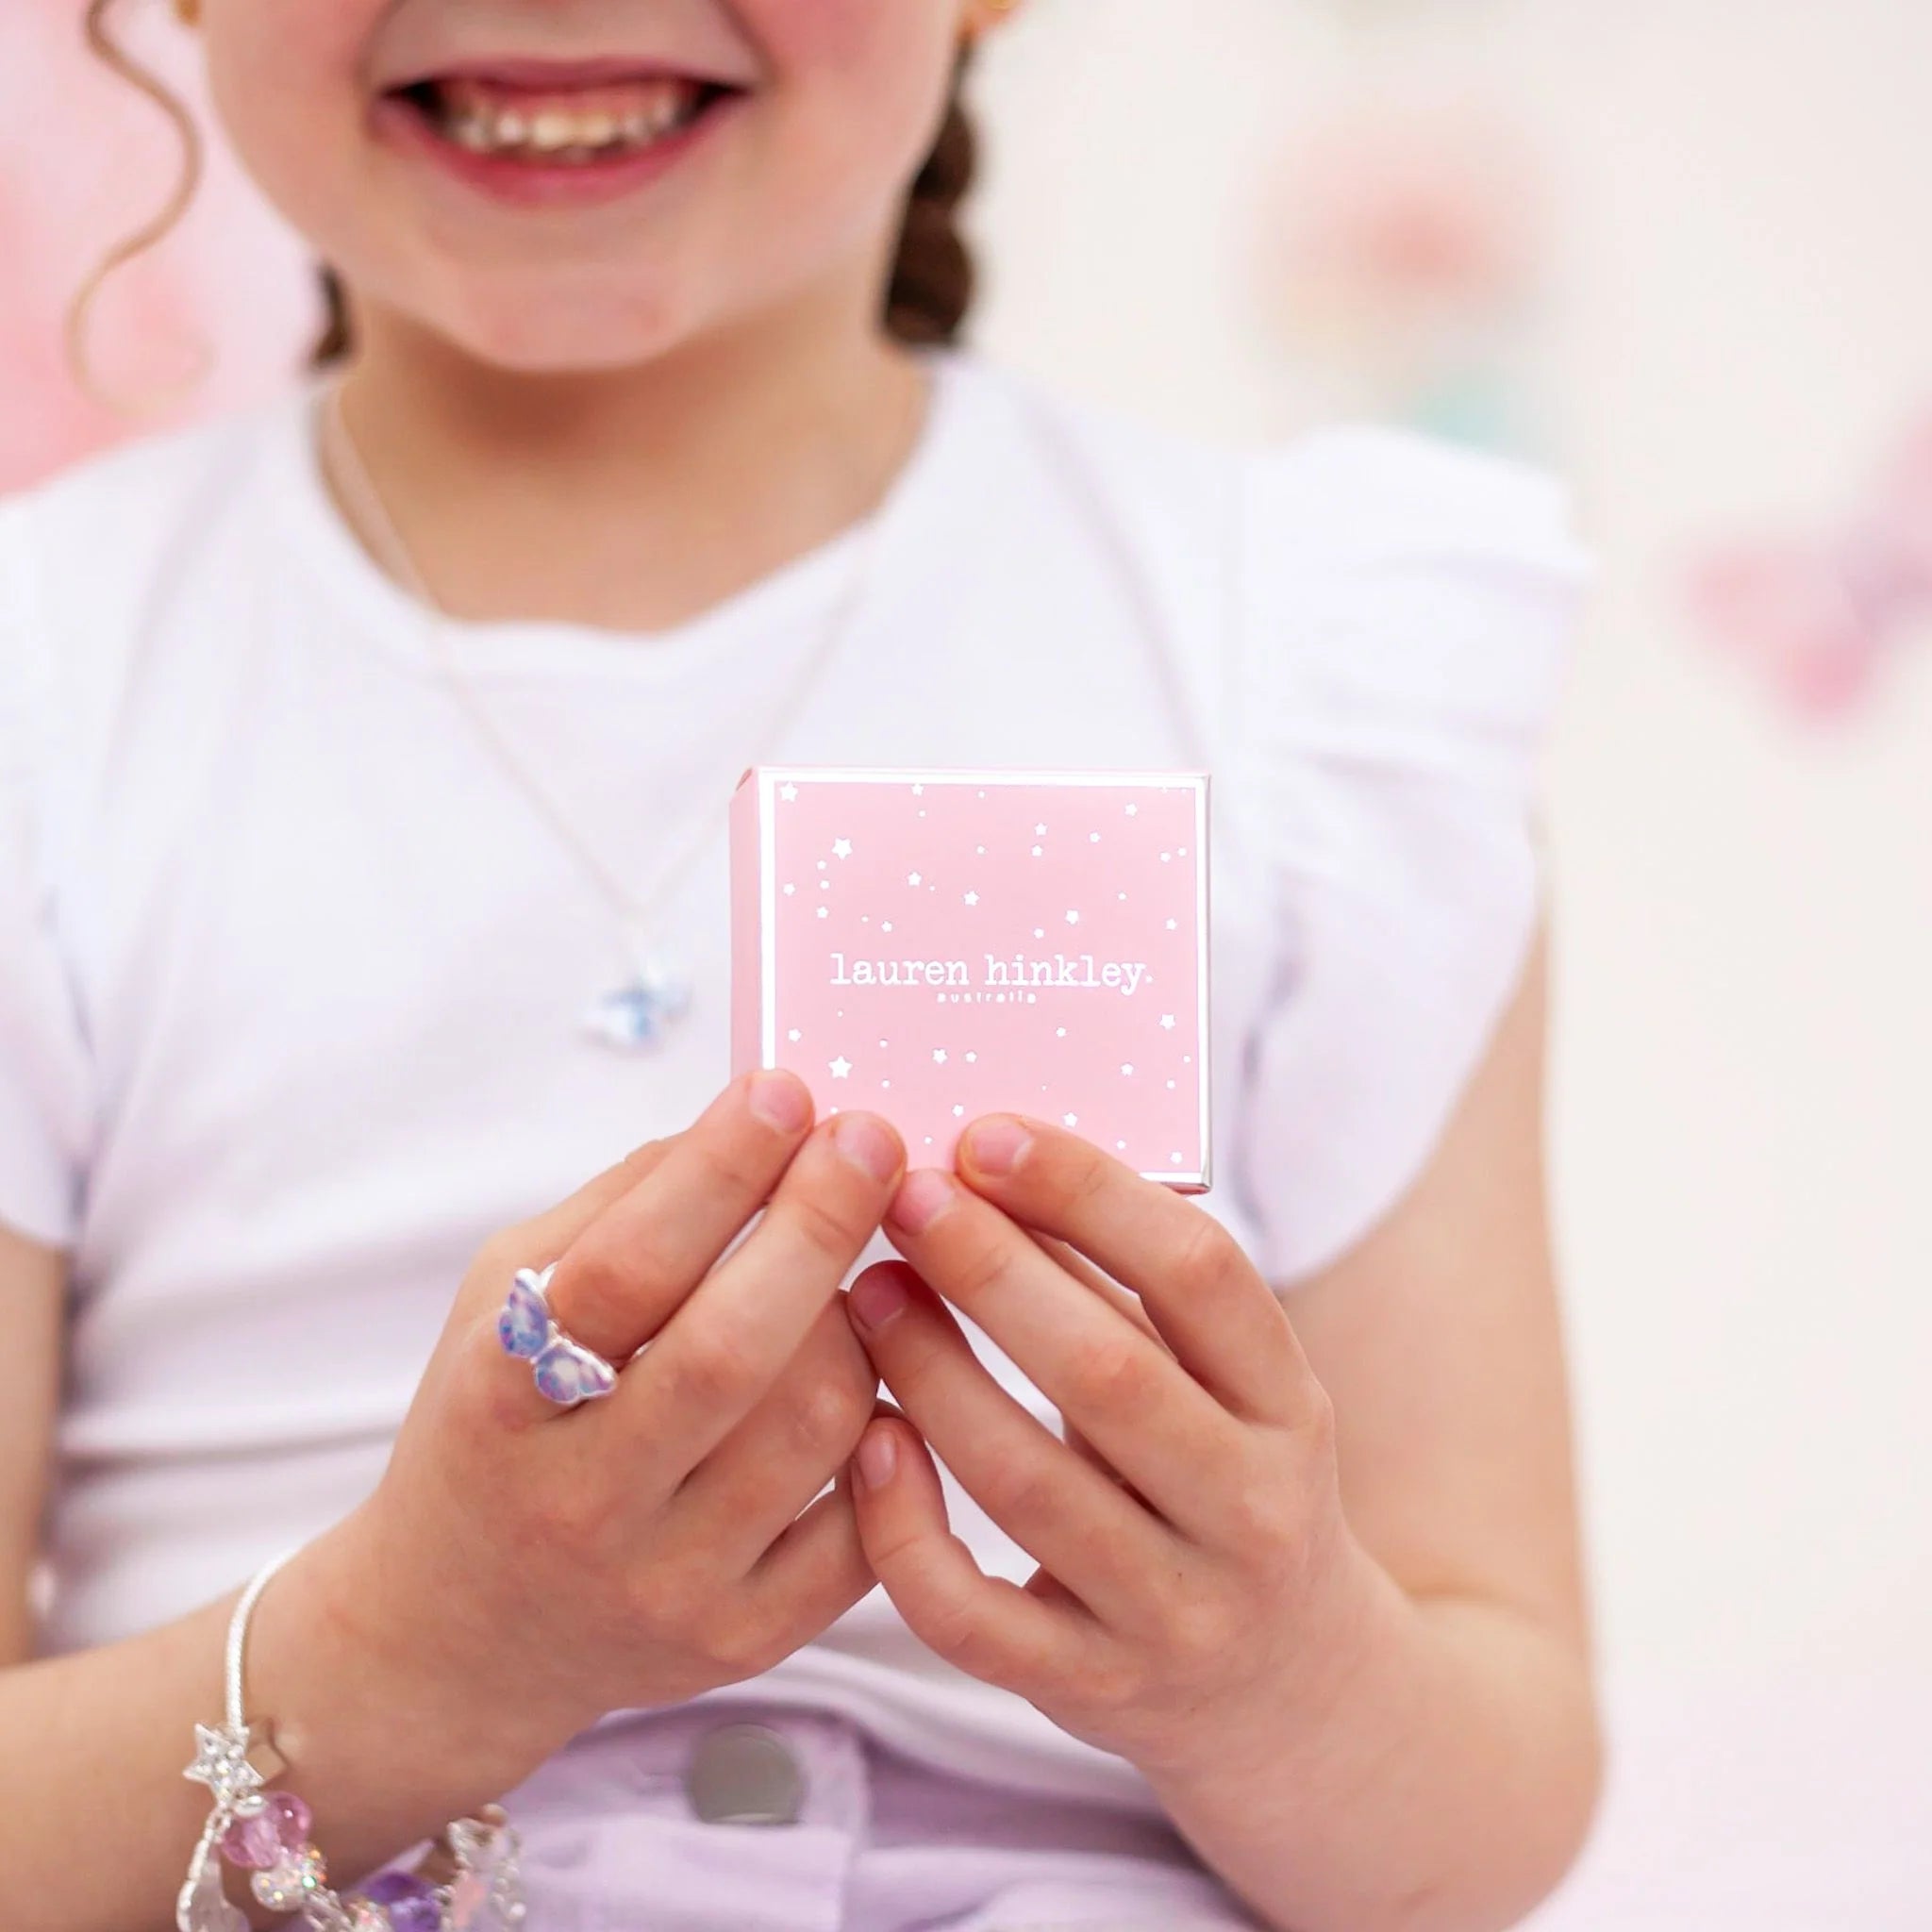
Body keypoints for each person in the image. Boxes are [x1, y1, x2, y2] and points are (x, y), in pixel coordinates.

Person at [0, 2, 1602, 1928]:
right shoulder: (53, 691)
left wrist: (1279, 1673)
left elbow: (1490, 1801)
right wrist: (413, 1652)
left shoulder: (1308, 680)